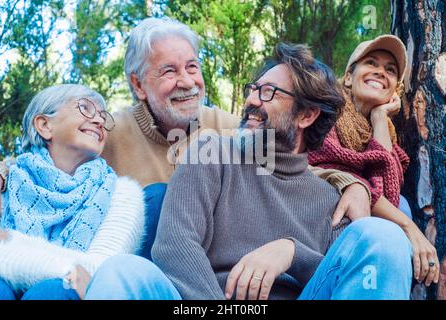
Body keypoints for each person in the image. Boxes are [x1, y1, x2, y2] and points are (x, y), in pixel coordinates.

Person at [0, 17, 373, 261]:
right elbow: (40, 160)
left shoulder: (228, 128)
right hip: (143, 272)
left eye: (192, 67)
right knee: (156, 197)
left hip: (210, 270)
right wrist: (0, 175)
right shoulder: (108, 133)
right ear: (138, 85)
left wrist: (351, 184)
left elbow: (292, 163)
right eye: (169, 71)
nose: (188, 82)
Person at [85, 43, 413, 300]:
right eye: (253, 89)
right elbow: (175, 245)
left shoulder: (330, 200)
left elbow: (343, 276)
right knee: (121, 272)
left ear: (307, 115)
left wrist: (293, 253)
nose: (252, 100)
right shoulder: (211, 153)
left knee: (383, 236)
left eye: (268, 93)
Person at [0, 84, 173, 300]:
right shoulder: (5, 183)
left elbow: (99, 271)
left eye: (102, 116)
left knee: (54, 291)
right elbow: (78, 272)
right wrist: (69, 268)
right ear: (44, 125)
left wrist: (8, 241)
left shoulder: (122, 194)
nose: (99, 121)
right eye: (86, 109)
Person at [308, 35, 439, 286]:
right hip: (316, 249)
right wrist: (410, 228)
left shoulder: (385, 133)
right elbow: (333, 174)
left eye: (390, 70)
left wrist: (379, 117)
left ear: (394, 92)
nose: (380, 72)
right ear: (348, 77)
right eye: (371, 63)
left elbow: (387, 192)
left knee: (400, 203)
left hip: (363, 249)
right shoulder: (323, 114)